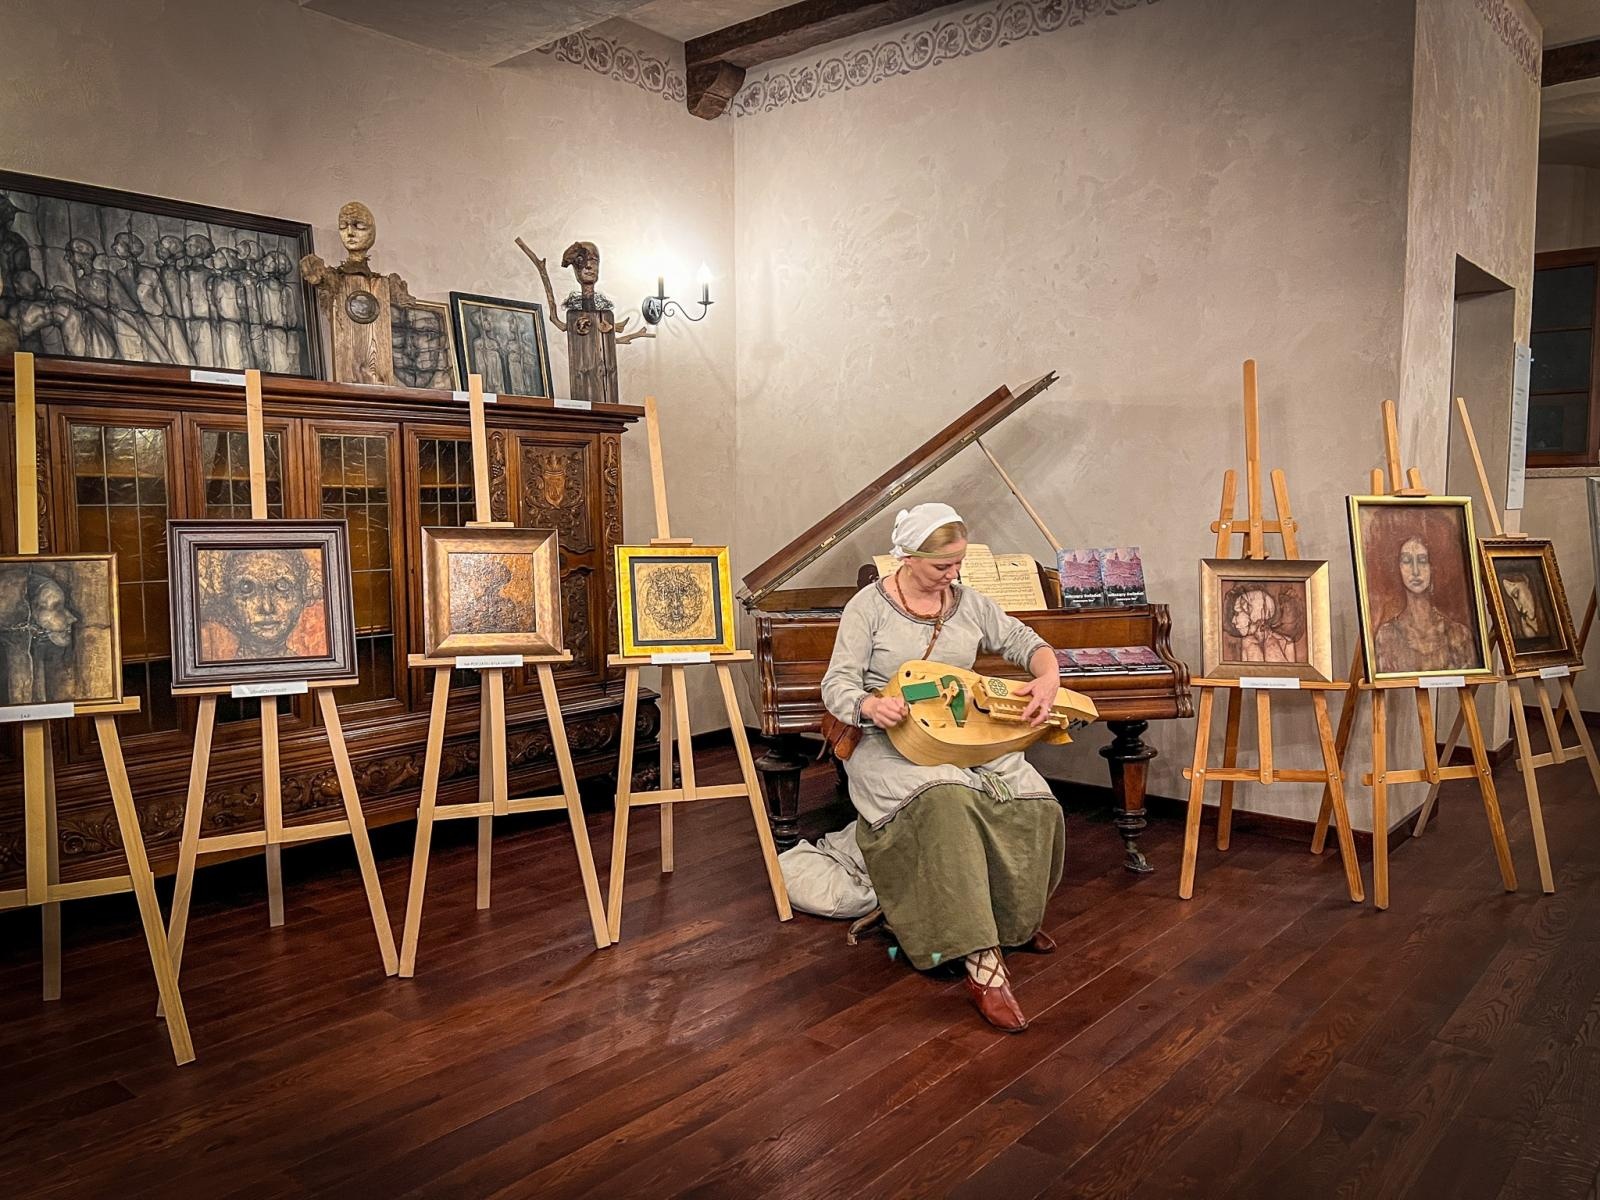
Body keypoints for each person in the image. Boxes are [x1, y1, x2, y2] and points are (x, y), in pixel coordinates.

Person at [821, 502, 1065, 1033]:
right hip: (891, 746)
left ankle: (1012, 923)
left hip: (963, 736)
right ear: (908, 558)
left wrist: (1048, 679)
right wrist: (869, 706)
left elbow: (1027, 643)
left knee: (1036, 798)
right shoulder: (869, 607)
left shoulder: (970, 602)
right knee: (948, 802)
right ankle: (982, 962)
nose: (953, 576)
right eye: (941, 567)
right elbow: (836, 684)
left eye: (958, 565)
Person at [1372, 533, 1476, 674]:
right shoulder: (1386, 636)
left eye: (1422, 561)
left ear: (1432, 567)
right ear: (1398, 568)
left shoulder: (1459, 635)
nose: (1415, 571)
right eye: (1407, 561)